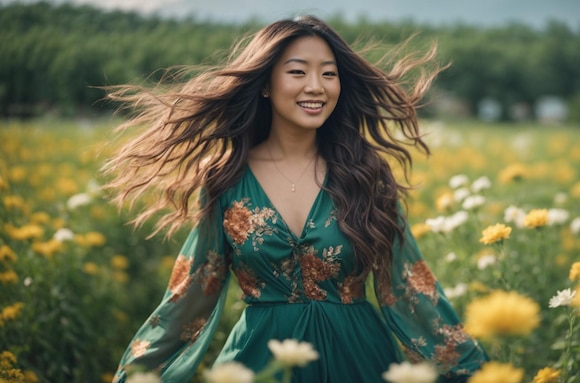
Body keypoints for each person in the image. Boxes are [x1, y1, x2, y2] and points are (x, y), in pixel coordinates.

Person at [104, 15, 488, 383]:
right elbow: (190, 294)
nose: (316, 86)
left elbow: (409, 288)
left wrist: (473, 373)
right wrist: (137, 373)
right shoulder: (225, 180)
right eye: (298, 71)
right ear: (266, 84)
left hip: (360, 362)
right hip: (260, 365)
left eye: (329, 73)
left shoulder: (367, 176)